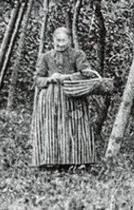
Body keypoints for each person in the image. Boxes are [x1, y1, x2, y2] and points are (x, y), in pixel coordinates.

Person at [31, 26, 102, 168]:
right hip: (51, 98)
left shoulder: (78, 55)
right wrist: (50, 79)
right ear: (53, 40)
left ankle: (79, 161)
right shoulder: (45, 57)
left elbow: (86, 73)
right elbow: (37, 79)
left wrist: (66, 77)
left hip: (74, 96)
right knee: (52, 128)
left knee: (77, 127)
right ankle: (52, 161)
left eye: (63, 40)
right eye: (58, 40)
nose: (61, 44)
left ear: (69, 40)